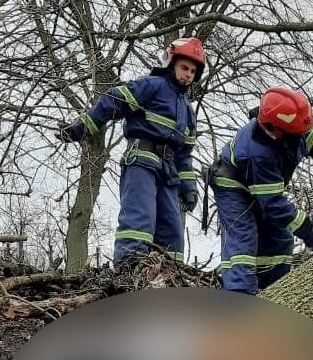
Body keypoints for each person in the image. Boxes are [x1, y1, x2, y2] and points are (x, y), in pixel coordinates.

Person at [58, 37, 206, 268]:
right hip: (142, 162)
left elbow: (185, 155)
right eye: (184, 67)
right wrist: (81, 128)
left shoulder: (188, 112)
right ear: (172, 64)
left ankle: (170, 277)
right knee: (140, 219)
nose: (187, 74)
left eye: (192, 71)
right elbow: (113, 100)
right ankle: (128, 271)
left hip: (169, 173)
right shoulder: (152, 86)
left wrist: (189, 188)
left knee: (173, 230)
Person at [209, 86, 313, 294]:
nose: (302, 137)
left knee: (281, 239)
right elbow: (272, 204)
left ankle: (277, 292)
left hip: (263, 189)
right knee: (243, 241)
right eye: (296, 135)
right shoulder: (258, 151)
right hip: (233, 186)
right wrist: (309, 230)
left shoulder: (299, 125)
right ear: (275, 131)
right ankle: (240, 298)